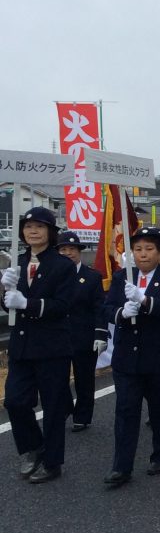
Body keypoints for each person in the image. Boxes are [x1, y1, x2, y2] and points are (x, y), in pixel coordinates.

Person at [100, 226, 160, 487]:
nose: (143, 255)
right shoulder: (121, 276)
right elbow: (107, 308)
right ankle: (121, 466)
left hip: (159, 356)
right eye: (138, 249)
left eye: (149, 249)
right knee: (126, 411)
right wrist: (121, 313)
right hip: (127, 357)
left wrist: (146, 301)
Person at [1, 207, 77, 483]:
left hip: (52, 346)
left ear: (51, 232)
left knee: (54, 406)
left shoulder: (62, 265)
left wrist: (27, 304)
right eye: (28, 226)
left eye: (40, 226)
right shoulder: (16, 262)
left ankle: (53, 462)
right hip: (22, 345)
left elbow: (62, 305)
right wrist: (5, 292)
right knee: (15, 400)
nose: (33, 231)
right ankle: (32, 447)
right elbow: (10, 305)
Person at [57, 230, 105, 431]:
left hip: (84, 336)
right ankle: (66, 406)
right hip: (57, 336)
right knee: (56, 378)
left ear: (79, 251)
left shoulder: (91, 276)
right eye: (63, 249)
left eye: (72, 249)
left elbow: (99, 307)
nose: (68, 253)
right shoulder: (52, 276)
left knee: (84, 379)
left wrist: (100, 333)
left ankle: (82, 416)